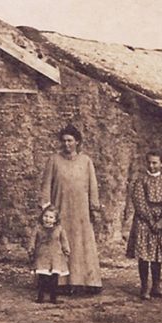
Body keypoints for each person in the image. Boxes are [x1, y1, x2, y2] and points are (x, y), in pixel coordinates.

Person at [39, 124, 103, 295]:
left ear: (77, 142)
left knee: (81, 244)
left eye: (70, 141)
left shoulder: (86, 161)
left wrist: (94, 208)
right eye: (64, 141)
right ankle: (59, 283)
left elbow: (92, 186)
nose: (66, 144)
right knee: (58, 244)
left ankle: (83, 282)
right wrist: (46, 208)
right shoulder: (54, 160)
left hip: (80, 213)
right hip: (60, 210)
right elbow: (46, 185)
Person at [126, 150, 162, 300]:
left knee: (158, 255)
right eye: (149, 162)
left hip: (161, 222)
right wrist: (150, 221)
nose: (151, 166)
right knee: (144, 256)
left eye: (155, 163)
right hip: (144, 222)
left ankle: (156, 287)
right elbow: (139, 201)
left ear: (161, 164)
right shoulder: (141, 180)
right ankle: (144, 287)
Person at [27, 205, 70, 304]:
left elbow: (64, 241)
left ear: (55, 220)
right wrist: (31, 249)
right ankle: (40, 297)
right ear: (42, 216)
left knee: (54, 279)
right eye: (45, 216)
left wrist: (66, 251)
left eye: (51, 217)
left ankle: (53, 298)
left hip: (55, 257)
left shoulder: (59, 229)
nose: (47, 219)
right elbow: (32, 240)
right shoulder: (38, 228)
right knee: (42, 278)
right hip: (42, 256)